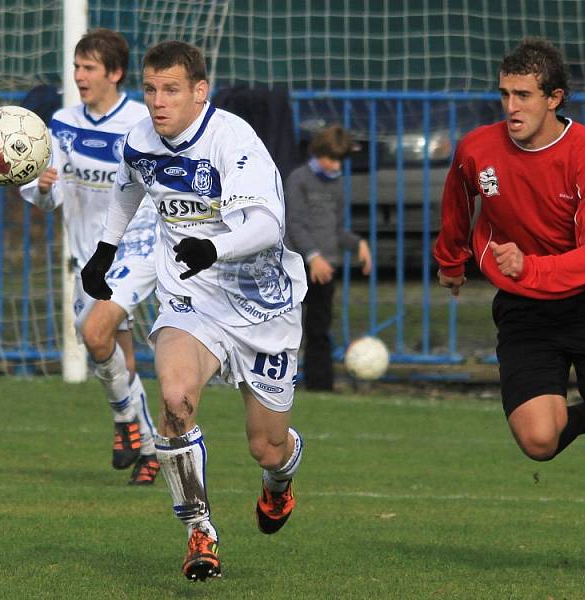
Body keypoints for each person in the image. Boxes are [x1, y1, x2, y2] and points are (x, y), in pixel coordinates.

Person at [433, 38, 585, 582]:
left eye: (523, 95)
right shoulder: (476, 149)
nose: (510, 107)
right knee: (538, 440)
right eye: (504, 94)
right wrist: (451, 258)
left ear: (555, 97)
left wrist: (529, 268)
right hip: (526, 311)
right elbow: (457, 199)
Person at [80, 40, 307, 582]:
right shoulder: (141, 138)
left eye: (172, 90)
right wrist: (105, 253)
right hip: (191, 298)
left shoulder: (234, 140)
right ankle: (199, 531)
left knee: (267, 447)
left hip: (262, 306)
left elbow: (268, 225)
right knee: (176, 397)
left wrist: (214, 247)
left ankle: (279, 484)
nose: (159, 102)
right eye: (151, 89)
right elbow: (127, 189)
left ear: (199, 92)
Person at [19, 29, 160, 485]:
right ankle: (146, 444)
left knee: (95, 332)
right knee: (112, 348)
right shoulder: (61, 122)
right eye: (77, 67)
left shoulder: (142, 122)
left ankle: (128, 425)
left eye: (89, 68)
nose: (79, 76)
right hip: (89, 256)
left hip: (137, 246)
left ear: (115, 73)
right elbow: (51, 196)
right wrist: (42, 187)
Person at [284, 126, 372, 390]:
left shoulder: (338, 185)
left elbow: (337, 229)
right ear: (318, 153)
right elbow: (294, 224)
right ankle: (274, 384)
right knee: (284, 331)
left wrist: (358, 244)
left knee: (319, 329)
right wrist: (313, 257)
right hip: (297, 267)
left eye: (339, 161)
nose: (334, 165)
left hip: (325, 270)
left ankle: (320, 384)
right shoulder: (298, 179)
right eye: (330, 159)